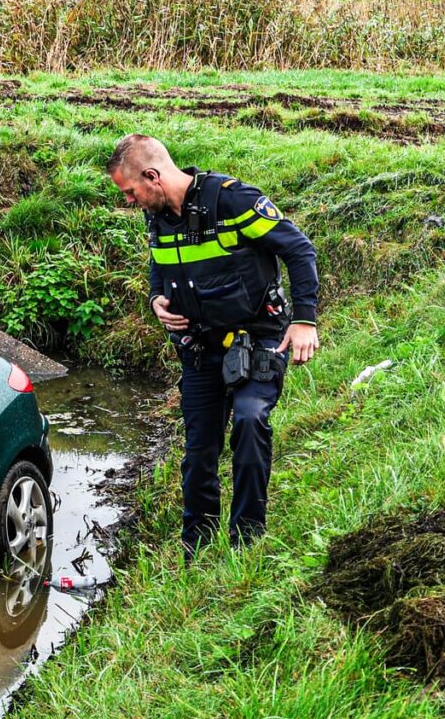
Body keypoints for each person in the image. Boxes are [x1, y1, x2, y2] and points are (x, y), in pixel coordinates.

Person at [106, 135, 320, 554]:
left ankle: (246, 541)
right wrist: (156, 301)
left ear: (152, 176)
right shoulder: (158, 216)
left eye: (130, 192)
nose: (128, 201)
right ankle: (197, 547)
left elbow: (299, 251)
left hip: (257, 336)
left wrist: (304, 320)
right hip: (199, 346)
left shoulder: (234, 201)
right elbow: (158, 266)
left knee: (249, 420)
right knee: (199, 450)